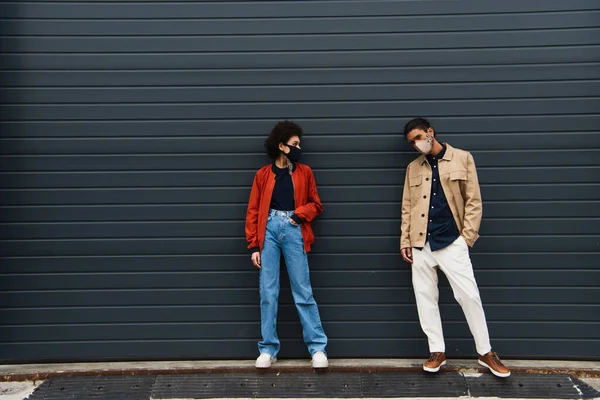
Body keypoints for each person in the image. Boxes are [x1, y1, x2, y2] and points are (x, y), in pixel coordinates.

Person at [400, 117, 510, 378]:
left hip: (452, 241)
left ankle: (485, 352)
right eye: (412, 142)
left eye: (418, 137)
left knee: (468, 296)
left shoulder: (462, 158)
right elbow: (408, 207)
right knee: (425, 298)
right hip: (420, 243)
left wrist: (466, 238)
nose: (417, 144)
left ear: (430, 132)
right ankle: (436, 351)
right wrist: (405, 240)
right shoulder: (413, 168)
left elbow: (474, 201)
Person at [245, 120, 328, 369]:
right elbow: (252, 211)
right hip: (267, 230)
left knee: (303, 291)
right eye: (295, 144)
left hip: (294, 229)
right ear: (281, 146)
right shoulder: (262, 175)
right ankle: (268, 349)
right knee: (268, 293)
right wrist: (253, 246)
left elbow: (316, 204)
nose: (299, 147)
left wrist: (299, 214)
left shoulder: (305, 172)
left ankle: (317, 348)